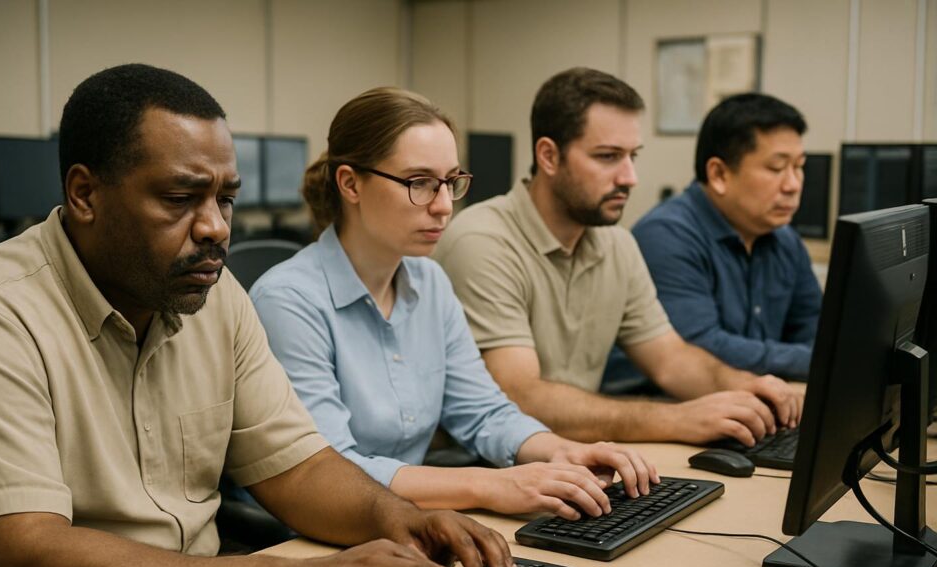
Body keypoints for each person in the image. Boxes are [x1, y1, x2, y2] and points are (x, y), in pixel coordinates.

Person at [0, 64, 517, 567]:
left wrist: (404, 522)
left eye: (224, 198)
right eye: (180, 199)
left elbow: (299, 466)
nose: (216, 228)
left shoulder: (212, 295)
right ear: (85, 194)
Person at [250, 87, 657, 521]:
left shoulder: (430, 282)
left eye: (451, 182)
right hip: (319, 536)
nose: (444, 206)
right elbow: (329, 470)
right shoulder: (289, 301)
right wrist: (492, 485)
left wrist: (566, 452)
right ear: (350, 183)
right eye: (420, 183)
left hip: (412, 521)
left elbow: (483, 413)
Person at [434, 67, 803, 448]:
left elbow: (670, 359)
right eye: (608, 156)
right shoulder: (483, 241)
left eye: (632, 156)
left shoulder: (616, 245)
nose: (629, 177)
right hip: (487, 467)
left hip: (574, 456)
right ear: (548, 156)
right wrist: (678, 418)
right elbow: (519, 396)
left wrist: (749, 389)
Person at [613, 93, 822, 382]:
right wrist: (816, 363)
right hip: (665, 408)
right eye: (776, 168)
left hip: (752, 402)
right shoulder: (666, 236)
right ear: (719, 174)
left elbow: (817, 331)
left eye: (799, 167)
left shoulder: (784, 240)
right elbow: (700, 347)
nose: (793, 184)